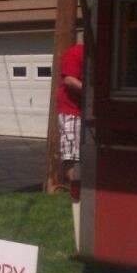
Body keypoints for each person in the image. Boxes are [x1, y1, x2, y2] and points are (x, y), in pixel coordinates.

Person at [57, 43, 84, 184]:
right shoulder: (76, 52)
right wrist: (92, 91)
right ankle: (76, 194)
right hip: (71, 112)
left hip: (88, 112)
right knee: (72, 157)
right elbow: (69, 79)